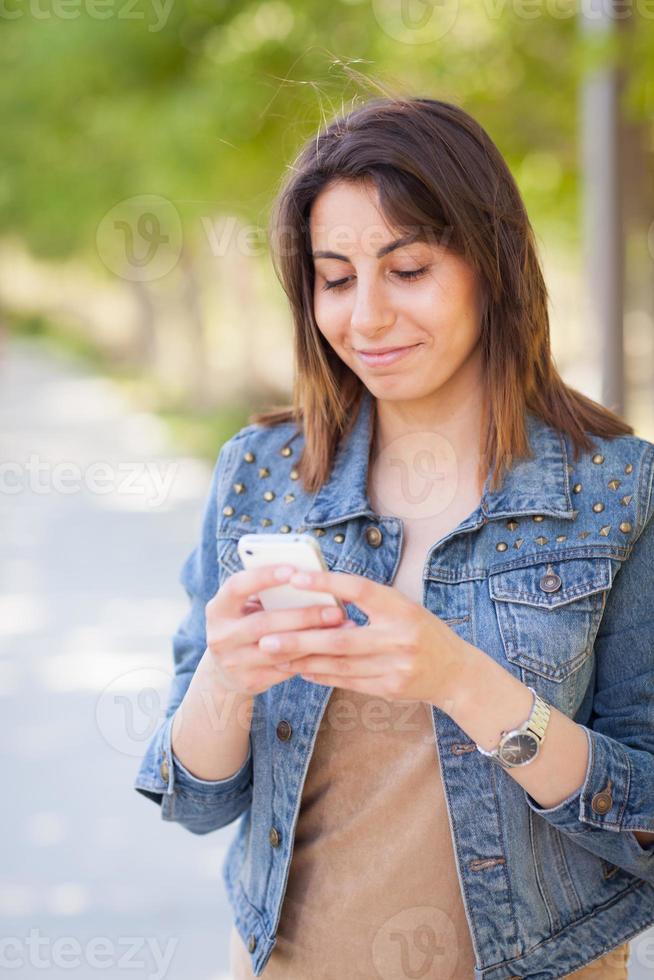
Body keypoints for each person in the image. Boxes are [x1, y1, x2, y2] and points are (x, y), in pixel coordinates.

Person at [133, 96, 654, 979]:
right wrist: (227, 674)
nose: (366, 318)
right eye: (336, 279)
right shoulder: (261, 474)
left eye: (406, 269)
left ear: (490, 264)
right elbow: (191, 798)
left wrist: (458, 678)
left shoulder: (615, 490)